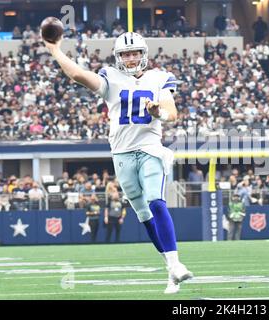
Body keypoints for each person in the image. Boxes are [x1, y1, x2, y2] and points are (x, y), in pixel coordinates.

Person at [44, 31, 192, 294]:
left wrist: (159, 112)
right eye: (125, 54)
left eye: (135, 53)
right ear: (118, 56)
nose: (131, 58)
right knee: (144, 215)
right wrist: (55, 50)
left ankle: (176, 263)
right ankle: (170, 270)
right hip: (122, 154)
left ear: (144, 54)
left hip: (150, 149)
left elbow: (172, 112)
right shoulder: (110, 77)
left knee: (156, 201)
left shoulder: (159, 77)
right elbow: (78, 75)